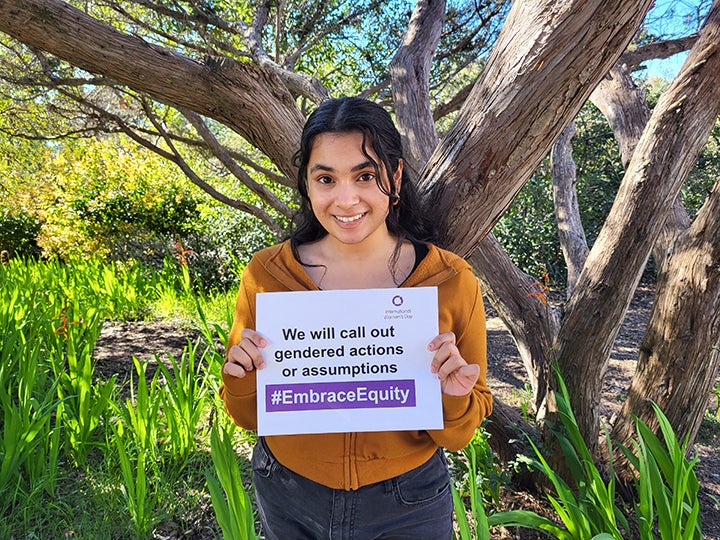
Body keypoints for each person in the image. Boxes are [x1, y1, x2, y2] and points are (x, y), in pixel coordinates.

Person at [220, 96, 492, 539]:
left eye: (365, 175)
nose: (345, 200)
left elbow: (460, 434)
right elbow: (248, 416)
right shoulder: (266, 274)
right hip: (290, 491)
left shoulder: (450, 279)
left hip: (409, 501)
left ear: (396, 176)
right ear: (307, 185)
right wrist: (242, 378)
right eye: (326, 178)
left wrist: (452, 394)